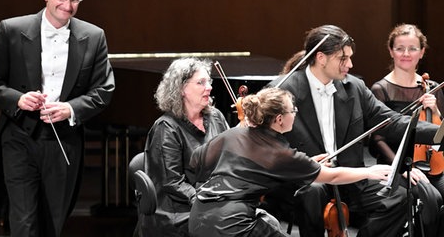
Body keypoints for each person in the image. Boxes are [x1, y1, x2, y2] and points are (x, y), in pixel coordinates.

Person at [266, 24, 441, 236]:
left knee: (401, 197)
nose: (350, 64)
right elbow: (268, 146)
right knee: (313, 191)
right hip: (305, 179)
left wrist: (439, 132)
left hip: (350, 176)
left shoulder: (354, 87)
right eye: (343, 58)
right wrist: (303, 162)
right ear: (321, 58)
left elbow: (391, 121)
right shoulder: (282, 91)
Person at [0, 0, 115, 237]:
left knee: (53, 222)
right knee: (23, 220)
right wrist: (18, 99)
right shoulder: (11, 29)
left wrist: (71, 109)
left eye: (75, 0)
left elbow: (103, 90)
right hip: (19, 135)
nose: (67, 6)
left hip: (63, 140)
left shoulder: (95, 36)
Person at [187, 88, 393, 237]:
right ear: (278, 119)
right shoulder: (281, 153)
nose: (295, 114)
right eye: (292, 111)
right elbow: (333, 176)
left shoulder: (233, 133)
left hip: (198, 218)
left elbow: (195, 162)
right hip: (231, 224)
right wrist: (369, 172)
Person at [139, 57, 230, 237]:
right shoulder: (166, 128)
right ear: (182, 89)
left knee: (264, 221)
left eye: (209, 81)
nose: (209, 87)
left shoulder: (215, 117)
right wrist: (209, 199)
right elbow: (173, 183)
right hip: (178, 209)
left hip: (213, 197)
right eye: (201, 82)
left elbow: (231, 156)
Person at [369, 23, 444, 235]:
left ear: (422, 52)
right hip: (397, 165)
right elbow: (377, 139)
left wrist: (436, 110)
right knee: (431, 198)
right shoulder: (380, 89)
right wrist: (401, 168)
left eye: (412, 48)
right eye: (400, 48)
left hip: (433, 164)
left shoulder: (433, 87)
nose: (406, 54)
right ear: (391, 51)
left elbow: (441, 131)